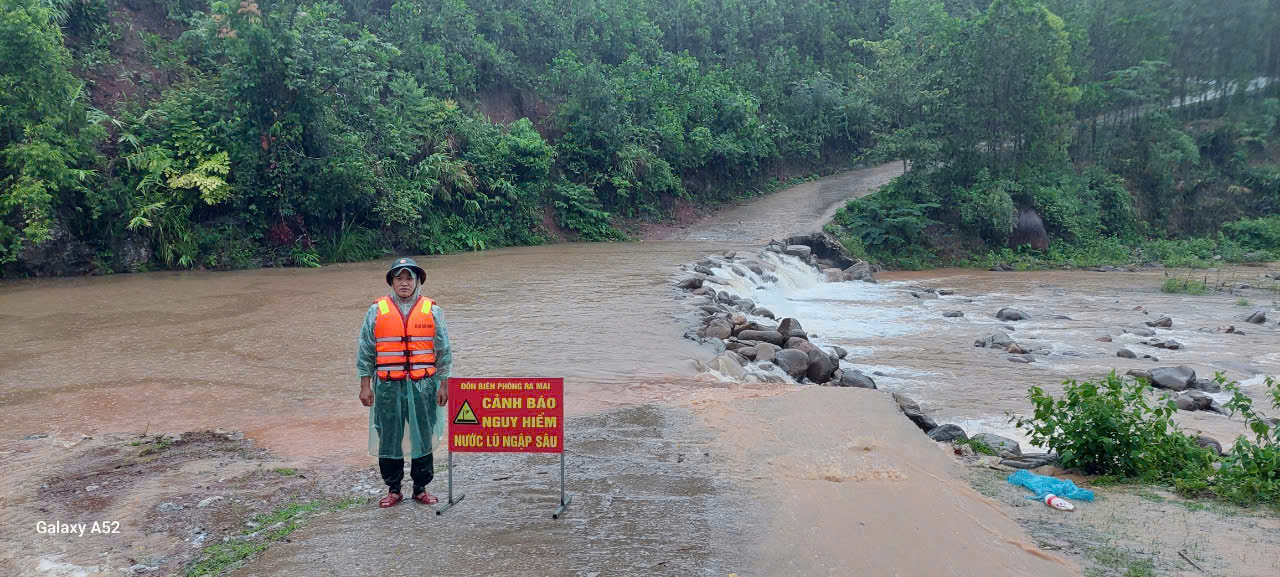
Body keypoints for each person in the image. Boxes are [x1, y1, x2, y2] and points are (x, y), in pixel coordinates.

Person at [357, 257, 452, 507]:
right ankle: (394, 488)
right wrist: (365, 385)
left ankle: (420, 488)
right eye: (398, 278)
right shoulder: (377, 311)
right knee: (388, 434)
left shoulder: (432, 310)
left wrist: (444, 384)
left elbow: (443, 351)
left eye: (409, 277)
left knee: (423, 433)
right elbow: (366, 351)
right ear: (392, 282)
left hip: (423, 386)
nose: (404, 283)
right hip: (388, 386)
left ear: (417, 281)